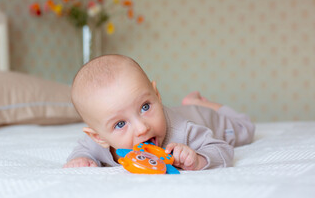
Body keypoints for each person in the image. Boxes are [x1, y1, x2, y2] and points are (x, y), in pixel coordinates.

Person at [63, 54, 255, 170]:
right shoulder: (98, 143)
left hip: (203, 117)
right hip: (183, 112)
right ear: (98, 137)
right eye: (120, 124)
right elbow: (83, 150)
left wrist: (199, 159)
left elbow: (222, 150)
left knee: (245, 129)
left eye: (145, 107)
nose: (142, 128)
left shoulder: (184, 131)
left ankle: (201, 103)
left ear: (157, 94)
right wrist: (81, 159)